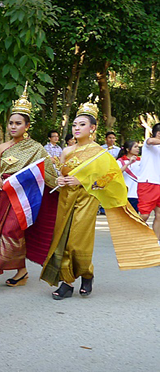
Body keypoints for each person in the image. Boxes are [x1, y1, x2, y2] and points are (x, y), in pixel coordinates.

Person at [41, 100, 160, 298]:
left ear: (93, 128)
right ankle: (67, 283)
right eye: (74, 125)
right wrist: (60, 180)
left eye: (82, 124)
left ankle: (86, 274)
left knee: (77, 242)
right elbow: (59, 176)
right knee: (63, 239)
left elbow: (109, 178)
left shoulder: (100, 153)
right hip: (65, 199)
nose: (77, 128)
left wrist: (81, 180)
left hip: (87, 199)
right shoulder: (66, 151)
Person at [0, 84, 58, 292]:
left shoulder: (37, 148)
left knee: (10, 231)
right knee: (5, 232)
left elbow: (48, 174)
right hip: (4, 195)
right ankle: (21, 271)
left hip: (22, 198)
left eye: (18, 123)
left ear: (27, 126)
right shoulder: (2, 147)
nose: (13, 127)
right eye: (11, 123)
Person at [137, 122, 160, 240]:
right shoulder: (148, 143)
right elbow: (151, 141)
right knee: (144, 215)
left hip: (159, 183)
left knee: (159, 215)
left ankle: (156, 242)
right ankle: (135, 238)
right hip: (148, 182)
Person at [116, 141, 141, 212]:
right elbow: (117, 173)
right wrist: (129, 163)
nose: (138, 149)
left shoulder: (140, 161)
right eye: (135, 147)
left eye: (138, 147)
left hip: (136, 193)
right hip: (124, 193)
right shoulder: (120, 161)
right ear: (127, 149)